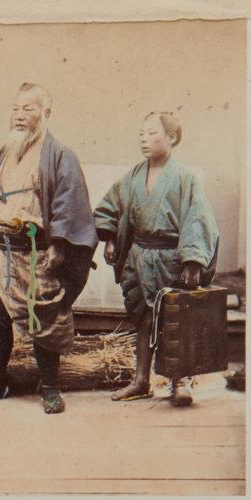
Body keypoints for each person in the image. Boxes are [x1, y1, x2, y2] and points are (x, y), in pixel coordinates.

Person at [0, 82, 98, 413]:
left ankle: (49, 387)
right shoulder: (4, 153)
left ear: (46, 114)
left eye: (28, 109)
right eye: (15, 108)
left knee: (43, 317)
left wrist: (59, 245)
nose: (19, 116)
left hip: (33, 254)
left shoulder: (61, 156)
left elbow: (69, 202)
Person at [93, 111, 219, 407]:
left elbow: (198, 220)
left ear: (172, 138)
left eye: (152, 133)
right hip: (138, 257)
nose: (144, 139)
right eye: (141, 134)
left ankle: (180, 381)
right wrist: (110, 238)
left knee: (178, 319)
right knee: (143, 320)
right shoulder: (133, 176)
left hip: (171, 257)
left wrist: (192, 262)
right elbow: (110, 206)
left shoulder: (185, 178)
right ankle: (141, 381)